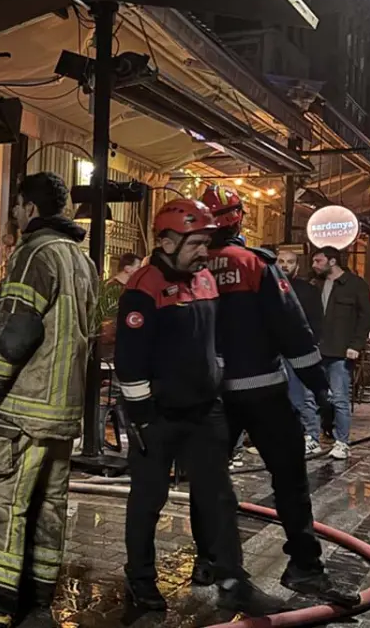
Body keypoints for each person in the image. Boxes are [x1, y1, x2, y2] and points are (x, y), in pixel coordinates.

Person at [0, 172, 98, 627]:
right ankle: (38, 603)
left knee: (3, 503)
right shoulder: (81, 260)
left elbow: (18, 329)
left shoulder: (34, 254)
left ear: (30, 208)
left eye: (15, 207)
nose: (13, 216)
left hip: (23, 409)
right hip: (61, 414)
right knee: (49, 507)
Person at [195, 185, 357, 606]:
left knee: (209, 480)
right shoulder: (256, 265)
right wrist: (320, 388)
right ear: (239, 220)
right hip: (263, 392)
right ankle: (304, 567)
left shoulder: (192, 268)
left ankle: (208, 560)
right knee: (289, 480)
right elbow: (294, 332)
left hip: (212, 398)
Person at [116, 198, 280, 616]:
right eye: (195, 243)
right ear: (167, 241)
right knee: (148, 501)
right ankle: (141, 580)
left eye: (207, 242)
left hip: (205, 412)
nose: (203, 252)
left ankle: (231, 579)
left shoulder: (206, 279)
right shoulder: (143, 287)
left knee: (218, 498)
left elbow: (214, 342)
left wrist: (217, 384)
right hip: (158, 417)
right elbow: (129, 361)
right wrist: (142, 418)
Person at [310, 246, 370, 459]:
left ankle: (342, 442)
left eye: (318, 261)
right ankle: (314, 436)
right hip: (317, 349)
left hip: (340, 351)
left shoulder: (355, 285)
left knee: (340, 398)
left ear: (332, 261)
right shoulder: (317, 284)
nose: (314, 265)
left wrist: (356, 345)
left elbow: (366, 319)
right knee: (315, 396)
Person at [277, 248, 326, 456]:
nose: (285, 265)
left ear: (297, 266)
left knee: (303, 395)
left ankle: (312, 437)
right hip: (273, 350)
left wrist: (309, 346)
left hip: (298, 350)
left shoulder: (307, 290)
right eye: (281, 261)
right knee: (278, 396)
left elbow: (316, 321)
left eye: (289, 262)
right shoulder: (266, 287)